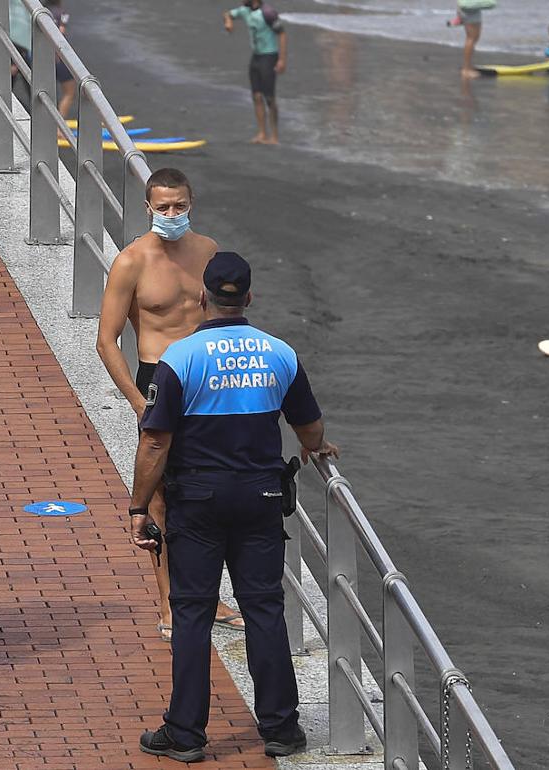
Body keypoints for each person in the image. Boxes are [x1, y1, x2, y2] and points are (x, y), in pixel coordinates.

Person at [130, 251, 339, 762]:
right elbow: (308, 428)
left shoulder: (180, 359)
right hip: (261, 497)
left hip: (197, 499)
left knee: (193, 613)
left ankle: (185, 733)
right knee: (264, 608)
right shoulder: (279, 353)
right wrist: (319, 446)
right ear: (248, 297)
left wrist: (139, 506)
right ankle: (282, 729)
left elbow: (156, 443)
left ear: (203, 297)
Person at [96, 168, 246, 643]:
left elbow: (229, 318)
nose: (171, 215)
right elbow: (106, 341)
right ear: (147, 207)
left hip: (209, 378)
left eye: (179, 206)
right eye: (162, 207)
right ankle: (167, 601)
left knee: (212, 488)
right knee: (158, 495)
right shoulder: (130, 262)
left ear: (191, 202)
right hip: (158, 378)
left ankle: (210, 595)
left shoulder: (209, 252)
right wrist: (140, 403)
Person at [223, 0, 287, 145]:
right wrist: (228, 22)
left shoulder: (268, 13)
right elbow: (227, 14)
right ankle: (262, 133)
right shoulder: (245, 10)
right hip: (256, 57)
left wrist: (282, 60)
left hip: (269, 57)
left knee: (269, 98)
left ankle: (275, 136)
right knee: (257, 96)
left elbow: (282, 34)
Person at [45, 0, 76, 119]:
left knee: (47, 91)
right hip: (58, 57)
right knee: (69, 92)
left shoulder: (42, 10)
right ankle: (59, 126)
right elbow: (60, 33)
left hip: (43, 56)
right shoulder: (62, 13)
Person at [449, 0, 491, 78]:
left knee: (472, 38)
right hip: (470, 11)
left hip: (468, 9)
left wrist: (459, 14)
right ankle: (466, 70)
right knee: (471, 39)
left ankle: (468, 67)